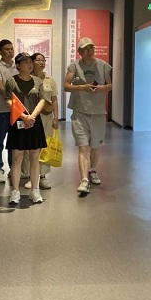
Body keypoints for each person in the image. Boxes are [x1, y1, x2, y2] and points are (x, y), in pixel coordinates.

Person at [64, 38, 112, 194]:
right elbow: (66, 86)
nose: (89, 51)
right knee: (83, 146)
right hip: (80, 112)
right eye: (85, 49)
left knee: (95, 146)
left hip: (98, 112)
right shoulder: (74, 66)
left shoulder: (103, 65)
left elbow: (110, 85)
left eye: (91, 48)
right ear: (79, 51)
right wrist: (82, 87)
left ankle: (92, 170)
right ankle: (84, 179)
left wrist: (101, 89)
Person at [5, 53, 47, 204]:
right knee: (17, 158)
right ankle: (15, 191)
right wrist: (23, 116)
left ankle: (35, 190)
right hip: (18, 121)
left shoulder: (37, 81)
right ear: (18, 65)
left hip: (34, 121)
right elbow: (9, 101)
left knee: (34, 157)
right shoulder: (11, 81)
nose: (29, 65)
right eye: (25, 62)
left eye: (30, 62)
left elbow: (42, 100)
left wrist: (32, 116)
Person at [24, 52, 59, 190]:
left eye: (43, 60)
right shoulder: (27, 78)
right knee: (31, 146)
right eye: (38, 60)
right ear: (32, 62)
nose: (41, 62)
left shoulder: (50, 80)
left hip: (47, 117)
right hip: (32, 117)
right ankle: (30, 176)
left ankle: (43, 175)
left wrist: (56, 118)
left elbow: (54, 100)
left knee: (45, 146)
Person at [0, 39, 18, 183]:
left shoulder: (18, 66)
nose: (10, 51)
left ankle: (14, 168)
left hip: (17, 112)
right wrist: (17, 98)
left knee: (14, 142)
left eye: (11, 48)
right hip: (2, 110)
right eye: (7, 49)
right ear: (0, 52)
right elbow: (1, 88)